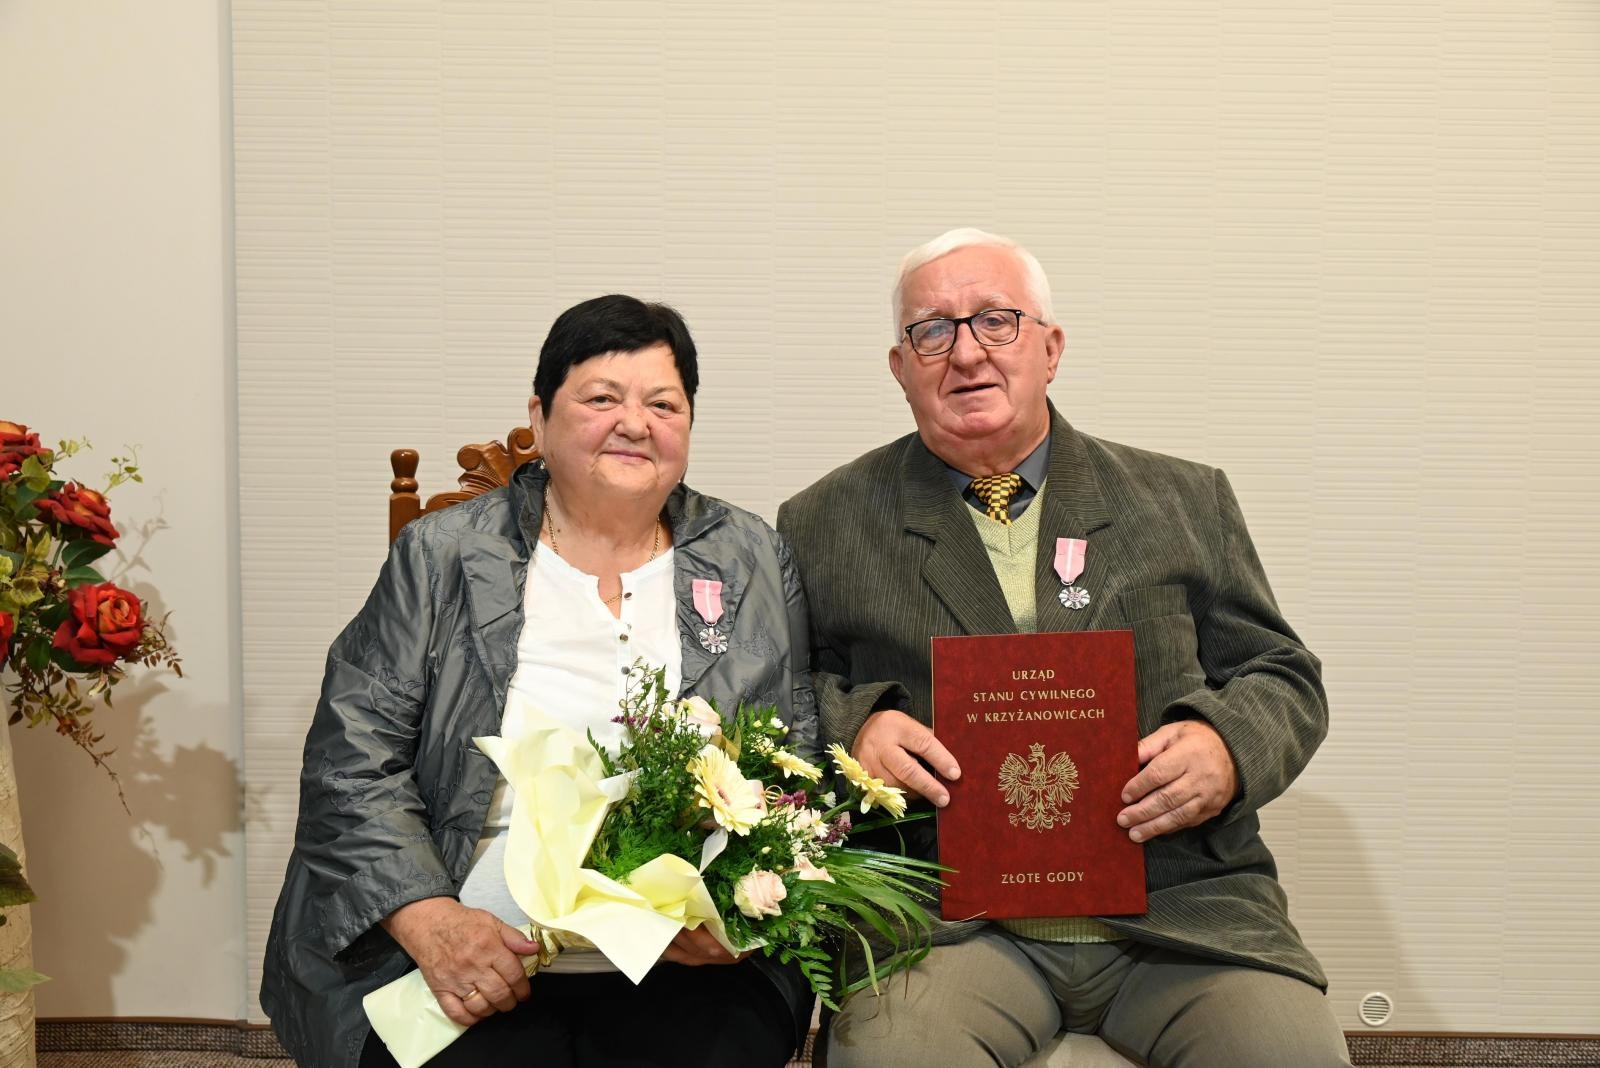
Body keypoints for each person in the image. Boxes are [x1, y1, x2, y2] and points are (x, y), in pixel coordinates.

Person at [776, 229, 1350, 1068]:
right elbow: (776, 697)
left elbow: (1284, 677)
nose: (965, 352)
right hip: (950, 921)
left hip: (1182, 909)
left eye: (996, 322)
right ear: (899, 367)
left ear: (1051, 348)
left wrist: (1225, 747)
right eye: (932, 331)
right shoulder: (823, 522)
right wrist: (854, 727)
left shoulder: (1184, 499)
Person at [262, 295, 817, 1068]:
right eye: (601, 398)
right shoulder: (442, 555)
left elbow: (797, 752)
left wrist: (739, 909)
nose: (635, 423)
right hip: (472, 951)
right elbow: (349, 758)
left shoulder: (750, 553)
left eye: (663, 403)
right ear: (541, 413)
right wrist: (428, 921)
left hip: (685, 960)